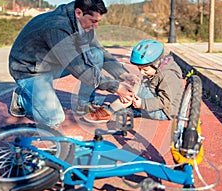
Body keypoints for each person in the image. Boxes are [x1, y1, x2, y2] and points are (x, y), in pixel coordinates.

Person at [8, 0, 139, 127]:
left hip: (50, 63)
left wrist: (122, 75)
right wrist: (117, 88)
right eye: (94, 21)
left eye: (98, 22)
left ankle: (84, 104)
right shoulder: (57, 27)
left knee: (96, 55)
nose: (96, 26)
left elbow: (100, 50)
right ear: (78, 13)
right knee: (54, 118)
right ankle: (21, 98)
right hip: (28, 70)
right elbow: (81, 70)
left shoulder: (84, 22)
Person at [83, 39, 184, 123]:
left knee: (133, 89)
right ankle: (129, 110)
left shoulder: (169, 75)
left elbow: (165, 101)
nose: (142, 72)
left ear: (157, 64)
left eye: (145, 69)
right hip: (155, 101)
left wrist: (143, 103)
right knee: (134, 84)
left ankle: (107, 112)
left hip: (164, 111)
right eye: (140, 69)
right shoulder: (160, 68)